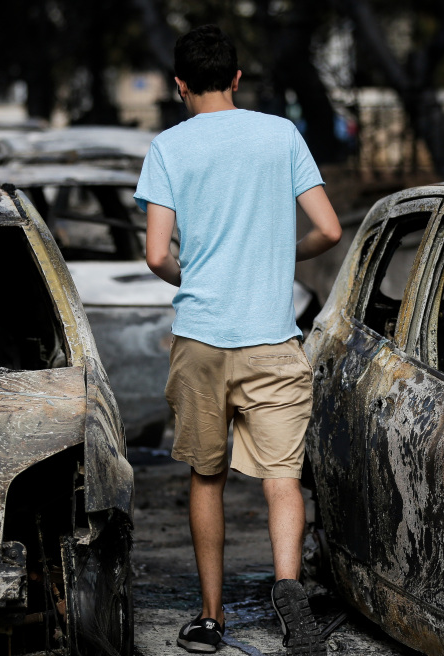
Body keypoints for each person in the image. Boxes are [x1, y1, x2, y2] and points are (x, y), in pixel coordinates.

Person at [134, 24, 342, 656]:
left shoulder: (168, 147)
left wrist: (194, 275)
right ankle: (289, 595)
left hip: (201, 337)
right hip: (272, 338)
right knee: (282, 478)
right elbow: (330, 229)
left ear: (179, 85)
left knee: (207, 477)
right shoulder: (280, 134)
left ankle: (211, 618)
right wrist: (281, 256)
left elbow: (156, 254)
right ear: (236, 78)